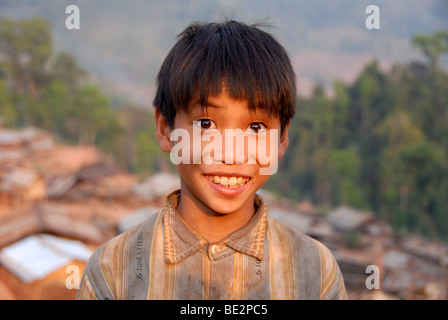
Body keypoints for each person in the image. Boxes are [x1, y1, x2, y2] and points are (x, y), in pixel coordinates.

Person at [77, 20, 347, 300]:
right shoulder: (113, 271)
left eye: (256, 127)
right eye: (206, 123)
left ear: (282, 138)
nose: (231, 154)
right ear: (165, 128)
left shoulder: (314, 271)